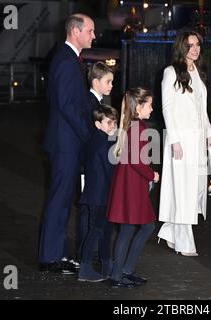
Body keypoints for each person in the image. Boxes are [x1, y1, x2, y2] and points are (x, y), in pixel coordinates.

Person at [39, 13, 96, 274]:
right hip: (65, 142)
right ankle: (50, 257)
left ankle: (59, 255)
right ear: (76, 31)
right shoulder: (65, 60)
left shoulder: (69, 58)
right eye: (91, 31)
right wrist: (87, 132)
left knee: (63, 200)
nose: (94, 36)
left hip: (68, 141)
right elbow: (65, 104)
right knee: (59, 199)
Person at [157, 30, 211, 256]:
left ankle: (170, 231)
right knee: (182, 189)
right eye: (190, 45)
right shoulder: (171, 72)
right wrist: (175, 140)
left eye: (197, 44)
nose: (195, 48)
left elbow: (202, 109)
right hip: (181, 141)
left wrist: (209, 134)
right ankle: (183, 240)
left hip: (198, 140)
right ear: (182, 47)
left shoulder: (198, 73)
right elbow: (167, 108)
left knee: (194, 188)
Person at [106, 87, 160, 288]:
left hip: (128, 182)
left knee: (129, 229)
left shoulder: (132, 125)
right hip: (133, 184)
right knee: (144, 226)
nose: (152, 109)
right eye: (149, 105)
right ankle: (120, 273)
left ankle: (121, 272)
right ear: (138, 107)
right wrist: (152, 174)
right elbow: (137, 161)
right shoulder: (140, 127)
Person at [77, 61, 114, 259]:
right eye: (108, 81)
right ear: (96, 81)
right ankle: (86, 255)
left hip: (93, 162)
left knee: (90, 210)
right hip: (91, 164)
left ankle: (91, 252)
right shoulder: (91, 104)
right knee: (89, 211)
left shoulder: (96, 103)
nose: (111, 86)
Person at [77, 105, 118, 282]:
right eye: (109, 122)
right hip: (100, 194)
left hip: (99, 193)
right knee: (97, 230)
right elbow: (110, 169)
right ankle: (85, 267)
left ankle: (106, 263)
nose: (113, 125)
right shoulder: (103, 142)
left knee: (105, 229)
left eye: (114, 122)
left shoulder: (96, 140)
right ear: (98, 124)